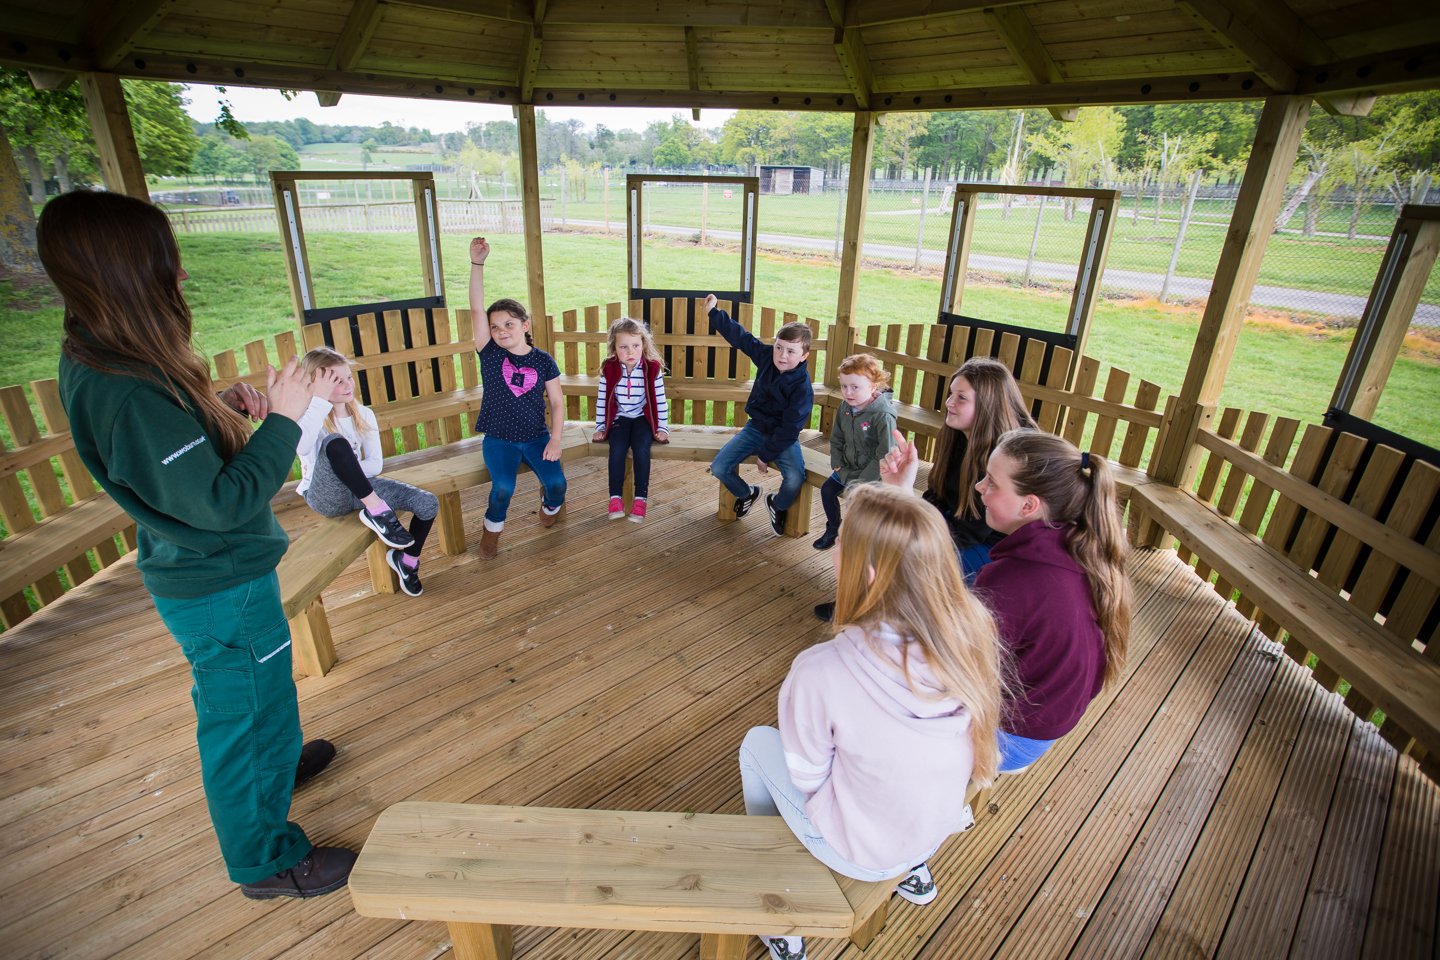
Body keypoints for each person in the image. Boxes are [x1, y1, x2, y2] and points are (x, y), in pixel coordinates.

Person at [39, 190, 356, 900]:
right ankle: (267, 860)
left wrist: (218, 409)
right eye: (166, 264)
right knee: (238, 718)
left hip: (220, 574)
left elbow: (174, 461)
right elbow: (223, 501)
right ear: (126, 275)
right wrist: (284, 420)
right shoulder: (121, 388)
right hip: (218, 581)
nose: (181, 278)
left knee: (261, 694)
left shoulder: (113, 356)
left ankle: (273, 765)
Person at [737, 484, 1006, 960]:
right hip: (927, 832)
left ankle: (776, 890)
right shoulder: (971, 634)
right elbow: (909, 554)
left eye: (841, 541)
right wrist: (899, 495)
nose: (835, 546)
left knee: (758, 745)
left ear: (867, 573)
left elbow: (807, 778)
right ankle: (915, 870)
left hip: (857, 850)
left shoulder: (822, 669)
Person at [816, 356, 1037, 623]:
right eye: (950, 394)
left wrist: (916, 534)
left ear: (988, 403)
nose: (949, 403)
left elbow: (974, 529)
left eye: (961, 398)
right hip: (954, 525)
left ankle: (884, 616)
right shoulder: (959, 436)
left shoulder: (1007, 455)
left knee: (905, 557)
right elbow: (936, 494)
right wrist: (907, 510)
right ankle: (861, 601)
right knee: (876, 529)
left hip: (991, 546)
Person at [972, 429, 1132, 774]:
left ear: (1029, 505)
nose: (979, 488)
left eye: (991, 482)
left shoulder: (1013, 581)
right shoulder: (1082, 547)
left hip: (1008, 739)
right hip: (1045, 725)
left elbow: (954, 664)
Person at [294, 346, 439, 597]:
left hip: (361, 488)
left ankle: (407, 563)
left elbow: (375, 464)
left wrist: (349, 470)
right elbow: (301, 446)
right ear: (317, 385)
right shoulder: (309, 417)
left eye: (348, 376)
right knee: (336, 443)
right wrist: (318, 401)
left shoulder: (363, 414)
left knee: (428, 503)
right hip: (326, 497)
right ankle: (378, 511)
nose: (347, 384)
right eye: (336, 381)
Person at [468, 236, 567, 559]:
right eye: (495, 327)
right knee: (503, 489)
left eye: (508, 324)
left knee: (558, 486)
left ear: (525, 325)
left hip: (537, 438)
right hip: (499, 439)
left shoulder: (543, 360)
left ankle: (549, 509)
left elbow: (556, 403)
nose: (501, 331)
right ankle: (491, 534)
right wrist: (477, 264)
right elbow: (475, 308)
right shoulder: (490, 354)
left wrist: (555, 440)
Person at [702, 293, 815, 536]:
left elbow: (790, 428)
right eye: (779, 348)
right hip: (755, 428)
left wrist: (765, 455)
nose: (782, 356)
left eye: (791, 351)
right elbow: (741, 338)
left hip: (783, 437)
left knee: (795, 478)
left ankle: (777, 504)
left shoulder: (802, 388)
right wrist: (714, 312)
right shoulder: (767, 358)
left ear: (804, 356)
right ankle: (747, 493)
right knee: (720, 466)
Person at [814, 353, 896, 550]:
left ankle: (856, 542)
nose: (848, 392)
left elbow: (884, 454)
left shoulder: (882, 416)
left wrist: (862, 482)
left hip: (872, 475)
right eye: (844, 386)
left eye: (855, 387)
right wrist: (837, 460)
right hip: (847, 467)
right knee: (827, 490)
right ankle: (833, 528)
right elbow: (837, 438)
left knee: (856, 504)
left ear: (873, 387)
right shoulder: (845, 407)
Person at [592, 316, 671, 521]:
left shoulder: (651, 369)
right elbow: (602, 400)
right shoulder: (608, 369)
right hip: (620, 418)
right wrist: (601, 426)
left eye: (635, 345)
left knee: (640, 447)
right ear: (614, 348)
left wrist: (662, 427)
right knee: (617, 447)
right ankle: (615, 497)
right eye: (623, 347)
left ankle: (640, 498)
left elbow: (660, 402)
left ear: (643, 345)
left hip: (643, 418)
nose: (630, 352)